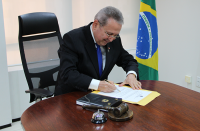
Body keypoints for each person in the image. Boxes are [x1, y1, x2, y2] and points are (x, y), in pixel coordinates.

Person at [54, 6, 142, 96]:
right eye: (109, 34)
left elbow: (129, 60)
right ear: (96, 25)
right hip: (71, 95)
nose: (111, 39)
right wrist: (97, 84)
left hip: (98, 96)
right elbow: (68, 74)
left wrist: (131, 75)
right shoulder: (73, 38)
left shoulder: (114, 40)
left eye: (115, 35)